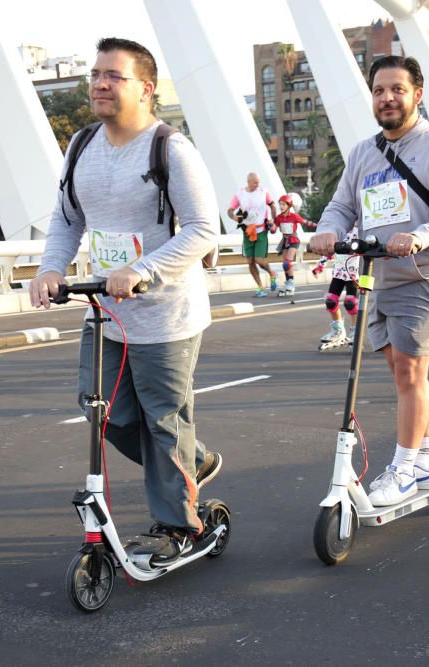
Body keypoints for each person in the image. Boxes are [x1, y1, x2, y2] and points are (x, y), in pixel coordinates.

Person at [29, 37, 221, 563]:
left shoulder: (171, 149)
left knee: (163, 421)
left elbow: (205, 230)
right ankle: (191, 461)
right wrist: (51, 267)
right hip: (108, 311)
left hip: (167, 315)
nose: (98, 83)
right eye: (95, 74)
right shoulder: (81, 145)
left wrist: (142, 269)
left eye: (112, 75)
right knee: (104, 415)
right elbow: (68, 219)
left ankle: (180, 525)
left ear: (146, 88)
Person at [309, 55, 429, 506]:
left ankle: (402, 471)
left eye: (397, 89)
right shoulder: (364, 152)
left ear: (417, 95)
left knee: (410, 370)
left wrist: (421, 236)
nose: (387, 98)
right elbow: (342, 206)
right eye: (379, 90)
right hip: (377, 275)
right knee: (406, 377)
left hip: (424, 274)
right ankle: (425, 460)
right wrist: (329, 230)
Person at [228, 172, 278, 297]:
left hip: (261, 231)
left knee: (259, 260)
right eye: (255, 182)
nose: (257, 184)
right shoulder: (239, 194)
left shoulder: (263, 192)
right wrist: (235, 218)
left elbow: (272, 206)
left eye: (258, 182)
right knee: (250, 261)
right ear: (248, 181)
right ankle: (260, 288)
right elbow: (229, 211)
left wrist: (273, 220)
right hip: (247, 231)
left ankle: (272, 273)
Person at [317, 230, 361, 347]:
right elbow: (330, 248)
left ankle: (355, 332)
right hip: (338, 272)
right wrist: (321, 264)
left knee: (350, 303)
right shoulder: (337, 229)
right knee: (330, 301)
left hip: (353, 273)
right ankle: (338, 331)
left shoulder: (360, 230)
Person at [274, 192, 316, 296]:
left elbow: (306, 222)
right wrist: (268, 225)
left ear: (289, 206)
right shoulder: (279, 218)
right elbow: (273, 230)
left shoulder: (294, 216)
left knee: (287, 263)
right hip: (284, 241)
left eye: (283, 204)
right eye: (280, 204)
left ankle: (291, 284)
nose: (281, 206)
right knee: (285, 265)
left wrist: (318, 225)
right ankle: (288, 283)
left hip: (294, 240)